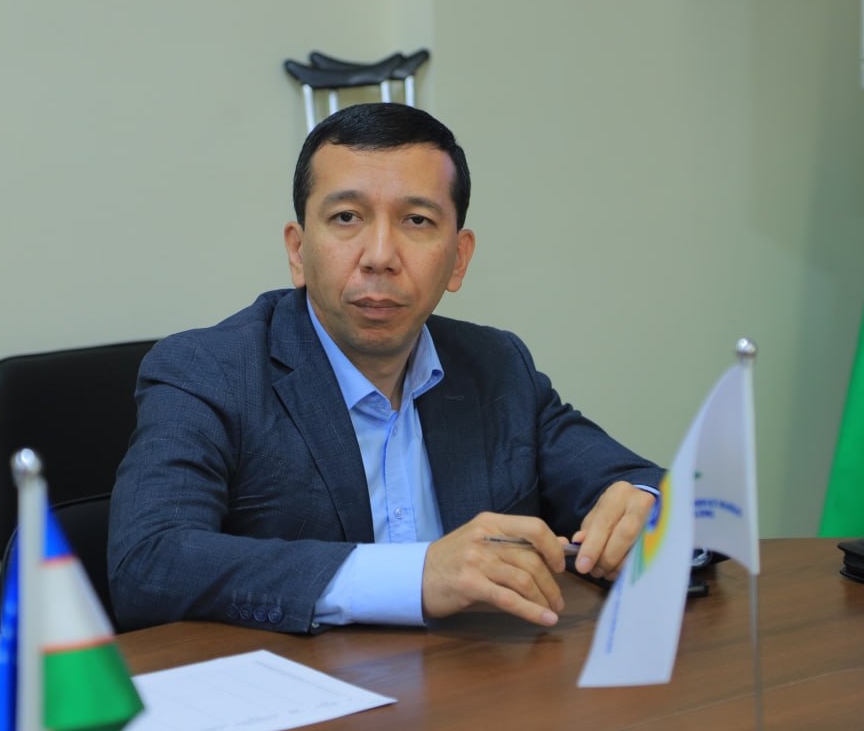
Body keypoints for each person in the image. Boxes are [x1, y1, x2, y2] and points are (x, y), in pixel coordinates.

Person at [109, 102, 663, 634]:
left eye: (416, 220)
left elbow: (646, 486)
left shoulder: (497, 367)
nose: (379, 256)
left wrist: (648, 509)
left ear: (459, 258)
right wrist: (416, 576)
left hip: (478, 682)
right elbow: (148, 562)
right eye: (346, 217)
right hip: (303, 692)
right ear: (298, 251)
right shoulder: (208, 372)